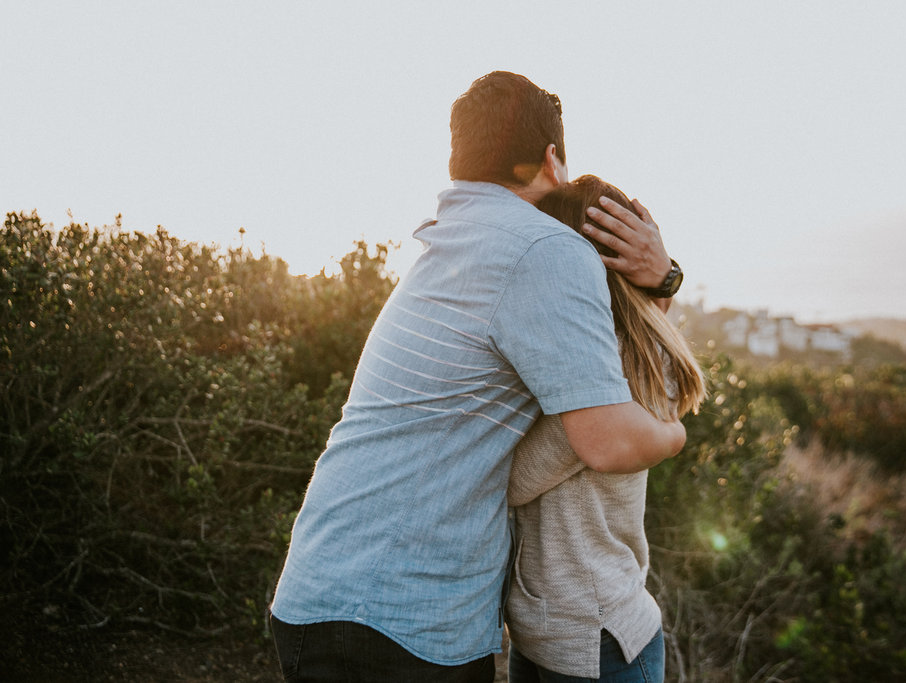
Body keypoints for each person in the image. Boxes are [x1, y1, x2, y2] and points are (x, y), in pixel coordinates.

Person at [269, 71, 688, 682]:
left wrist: (661, 283)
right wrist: (676, 433)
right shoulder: (544, 247)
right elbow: (610, 439)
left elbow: (597, 350)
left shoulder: (447, 247)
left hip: (318, 592)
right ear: (551, 159)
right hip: (403, 623)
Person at [505, 175, 707, 682]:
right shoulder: (628, 349)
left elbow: (515, 479)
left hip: (595, 643)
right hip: (554, 634)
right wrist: (664, 277)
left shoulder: (607, 367)